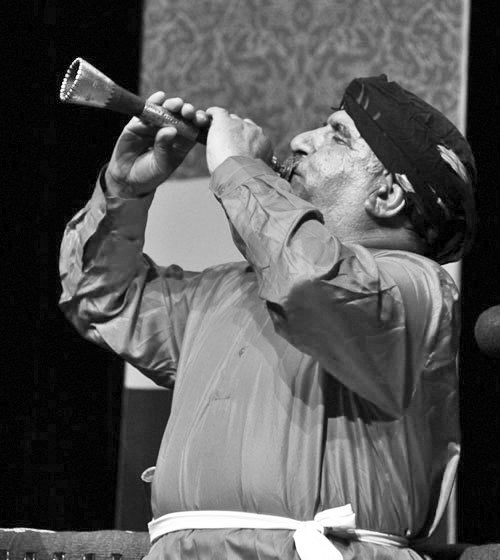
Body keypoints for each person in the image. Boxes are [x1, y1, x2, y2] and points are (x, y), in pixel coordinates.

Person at [59, 75, 476, 560]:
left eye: (337, 135)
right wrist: (124, 191)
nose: (300, 140)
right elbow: (102, 297)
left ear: (387, 196)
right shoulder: (229, 288)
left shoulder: (415, 287)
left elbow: (313, 282)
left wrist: (239, 168)